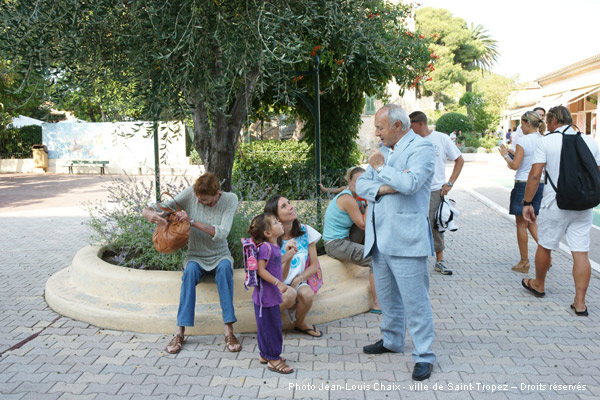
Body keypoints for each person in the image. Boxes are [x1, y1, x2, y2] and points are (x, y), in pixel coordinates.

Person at [356, 104, 436, 381]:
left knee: (415, 302)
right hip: (380, 238)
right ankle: (391, 340)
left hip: (406, 239)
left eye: (380, 127)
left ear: (398, 126)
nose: (376, 132)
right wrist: (387, 186)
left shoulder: (422, 148)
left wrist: (381, 169)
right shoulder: (384, 151)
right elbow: (361, 186)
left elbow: (412, 183)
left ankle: (424, 355)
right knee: (388, 299)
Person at [142, 172, 241, 354]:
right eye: (198, 198)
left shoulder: (230, 199)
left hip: (220, 254)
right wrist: (148, 212)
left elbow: (222, 233)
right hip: (195, 255)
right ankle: (179, 332)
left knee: (226, 269)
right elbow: (163, 207)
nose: (199, 202)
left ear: (217, 193)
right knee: (189, 273)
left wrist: (192, 221)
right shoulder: (190, 194)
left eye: (204, 200)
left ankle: (229, 330)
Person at [521, 106, 600, 316]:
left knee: (545, 246)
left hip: (555, 203)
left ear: (554, 120)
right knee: (581, 252)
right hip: (583, 206)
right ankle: (580, 303)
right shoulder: (590, 141)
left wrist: (527, 202)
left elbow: (536, 175)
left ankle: (538, 284)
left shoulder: (546, 141)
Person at [409, 111, 464, 275]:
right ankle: (416, 260)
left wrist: (450, 183)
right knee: (414, 224)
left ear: (420, 124)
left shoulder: (441, 138)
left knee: (436, 225)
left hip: (435, 190)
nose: (409, 128)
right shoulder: (411, 140)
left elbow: (459, 160)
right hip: (414, 190)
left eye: (411, 125)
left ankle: (440, 261)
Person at [322, 166, 381, 314]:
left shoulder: (353, 194)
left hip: (345, 238)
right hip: (335, 244)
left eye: (365, 181)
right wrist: (368, 201)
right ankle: (377, 304)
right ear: (349, 181)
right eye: (358, 181)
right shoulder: (347, 199)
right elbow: (362, 224)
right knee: (376, 259)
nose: (361, 184)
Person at [264, 195, 323, 337]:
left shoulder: (306, 231)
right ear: (275, 217)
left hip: (298, 281)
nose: (291, 207)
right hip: (276, 283)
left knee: (306, 294)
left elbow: (314, 265)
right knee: (289, 295)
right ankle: (266, 324)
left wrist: (299, 279)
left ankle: (300, 322)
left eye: (289, 203)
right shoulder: (270, 238)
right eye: (284, 206)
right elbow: (271, 272)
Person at [498, 111, 546, 273]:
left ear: (526, 123)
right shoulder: (543, 139)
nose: (520, 127)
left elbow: (515, 165)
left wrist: (505, 155)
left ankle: (524, 261)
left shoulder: (523, 140)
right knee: (532, 220)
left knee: (521, 224)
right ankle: (546, 254)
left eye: (521, 124)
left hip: (523, 183)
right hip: (539, 182)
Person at [247, 213, 295, 374]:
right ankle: (273, 359)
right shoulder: (266, 248)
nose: (279, 222)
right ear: (268, 233)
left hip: (269, 297)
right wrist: (278, 282)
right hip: (265, 298)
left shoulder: (273, 247)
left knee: (266, 327)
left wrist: (289, 254)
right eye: (275, 222)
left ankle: (264, 355)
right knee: (272, 328)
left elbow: (276, 261)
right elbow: (261, 270)